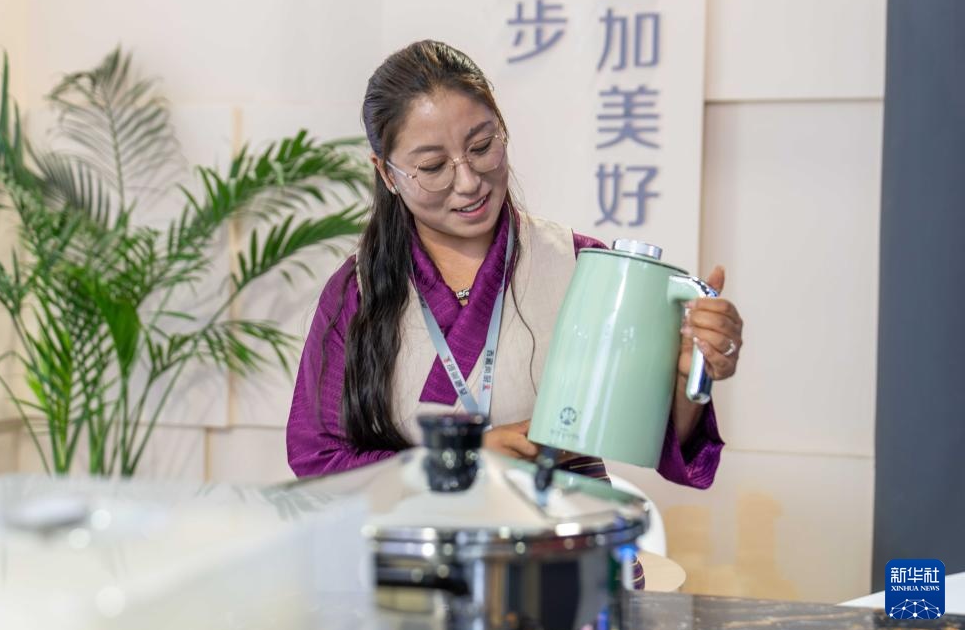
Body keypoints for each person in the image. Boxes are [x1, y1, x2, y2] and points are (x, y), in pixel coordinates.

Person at [286, 39, 743, 491]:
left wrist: (686, 377)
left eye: (482, 146)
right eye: (433, 166)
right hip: (416, 535)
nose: (468, 182)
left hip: (564, 531)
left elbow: (649, 434)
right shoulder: (357, 291)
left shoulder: (580, 266)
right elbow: (318, 457)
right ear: (387, 173)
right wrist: (459, 460)